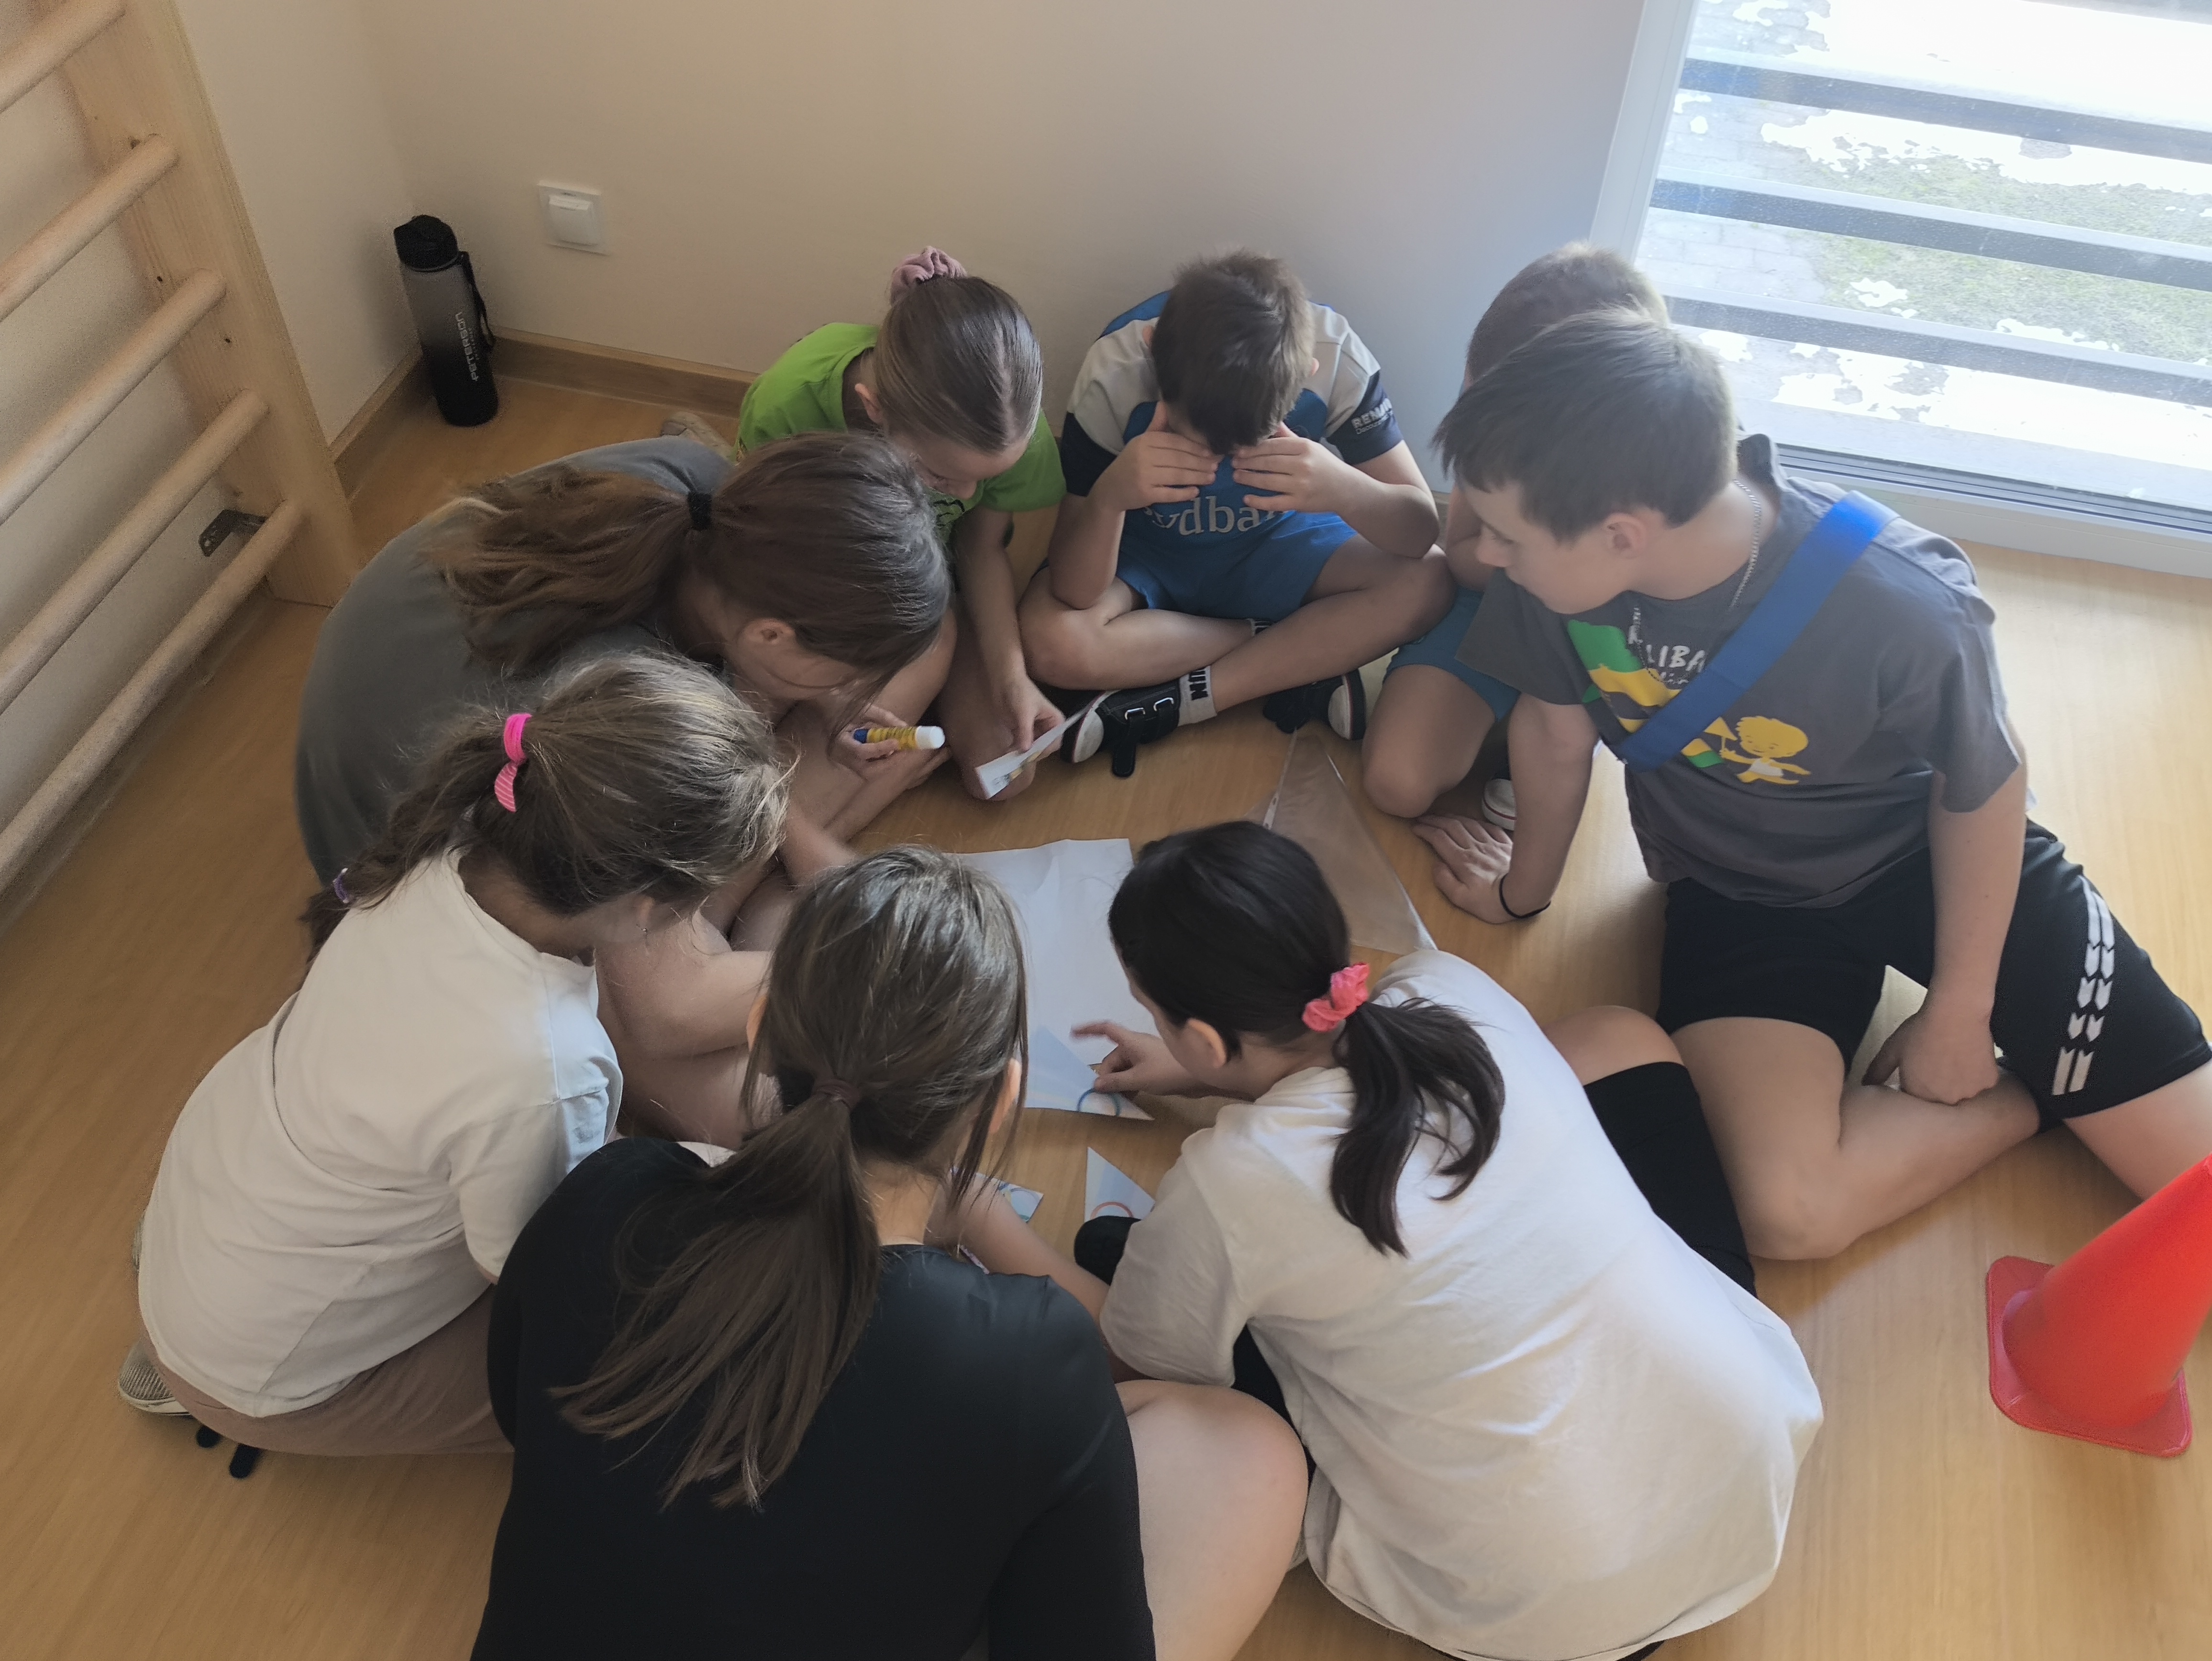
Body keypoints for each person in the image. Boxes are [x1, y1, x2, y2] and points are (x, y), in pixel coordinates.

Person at [1419, 310, 2212, 1260]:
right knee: (1783, 1215)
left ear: (1621, 534)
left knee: (2196, 1196)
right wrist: (1521, 891)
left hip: (1934, 865)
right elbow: (1552, 733)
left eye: (1503, 535)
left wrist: (1959, 1011)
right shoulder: (1554, 575)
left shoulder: (1902, 601)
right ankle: (2035, 1096)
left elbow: (1982, 785)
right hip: (1741, 894)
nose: (1483, 555)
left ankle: (2040, 1058)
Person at [473, 847, 1306, 1661]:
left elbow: (521, 1412)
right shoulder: (1025, 1357)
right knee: (1253, 1454)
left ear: (762, 1031)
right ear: (1001, 1097)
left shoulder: (606, 1193)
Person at [1068, 822, 1819, 1661]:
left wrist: (970, 1207)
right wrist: (1208, 1073)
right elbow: (1350, 1092)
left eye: (1156, 1013)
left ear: (1206, 1038)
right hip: (1739, 1476)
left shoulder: (1229, 1182)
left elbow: (1132, 1359)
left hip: (1549, 1610)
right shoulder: (1444, 984)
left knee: (1115, 1257)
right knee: (1613, 1041)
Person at [122, 655, 787, 1456]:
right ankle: (216, 1389)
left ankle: (194, 1330)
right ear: (646, 909)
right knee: (669, 1370)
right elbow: (533, 1271)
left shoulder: (449, 845)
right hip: (260, 1361)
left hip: (219, 1206)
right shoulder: (540, 1068)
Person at [295, 429, 950, 1142]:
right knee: (763, 1108)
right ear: (770, 635)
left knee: (930, 643)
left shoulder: (706, 489)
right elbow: (670, 1015)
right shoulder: (617, 705)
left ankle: (744, 906)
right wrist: (883, 972)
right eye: (847, 672)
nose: (856, 690)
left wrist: (824, 707)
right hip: (428, 843)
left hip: (471, 711)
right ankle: (746, 908)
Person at [1021, 251, 1451, 776]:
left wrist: (1344, 488)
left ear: (1306, 375)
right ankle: (1304, 655)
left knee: (1430, 580)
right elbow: (1075, 590)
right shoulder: (1114, 371)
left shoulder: (1337, 354)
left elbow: (1419, 532)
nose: (1218, 462)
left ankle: (1182, 700)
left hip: (1280, 544)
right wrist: (1111, 496)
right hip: (1150, 553)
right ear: (1152, 352)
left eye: (1251, 443)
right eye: (1190, 439)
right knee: (1051, 641)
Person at [736, 246, 1069, 800]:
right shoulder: (789, 401)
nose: (967, 494)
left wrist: (1012, 676)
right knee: (752, 719)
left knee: (1006, 775)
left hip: (926, 593)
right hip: (814, 576)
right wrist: (826, 690)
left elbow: (981, 548)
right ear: (874, 409)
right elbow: (760, 556)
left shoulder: (1008, 425)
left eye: (984, 479)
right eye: (940, 475)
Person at [1362, 244, 1666, 826]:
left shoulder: (1661, 452)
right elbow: (1463, 554)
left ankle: (1551, 733)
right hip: (1499, 608)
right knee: (1397, 783)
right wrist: (1526, 561)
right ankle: (1505, 728)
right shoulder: (1494, 400)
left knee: (1553, 754)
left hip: (1602, 637)